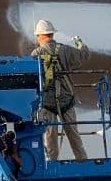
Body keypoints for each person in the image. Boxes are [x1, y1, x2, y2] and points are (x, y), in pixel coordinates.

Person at [31, 19, 90, 161]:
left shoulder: (36, 53)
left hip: (47, 103)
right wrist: (79, 41)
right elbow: (84, 54)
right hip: (66, 100)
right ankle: (82, 161)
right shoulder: (65, 50)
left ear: (40, 36)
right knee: (74, 136)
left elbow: (31, 77)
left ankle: (52, 164)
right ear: (52, 34)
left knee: (50, 141)